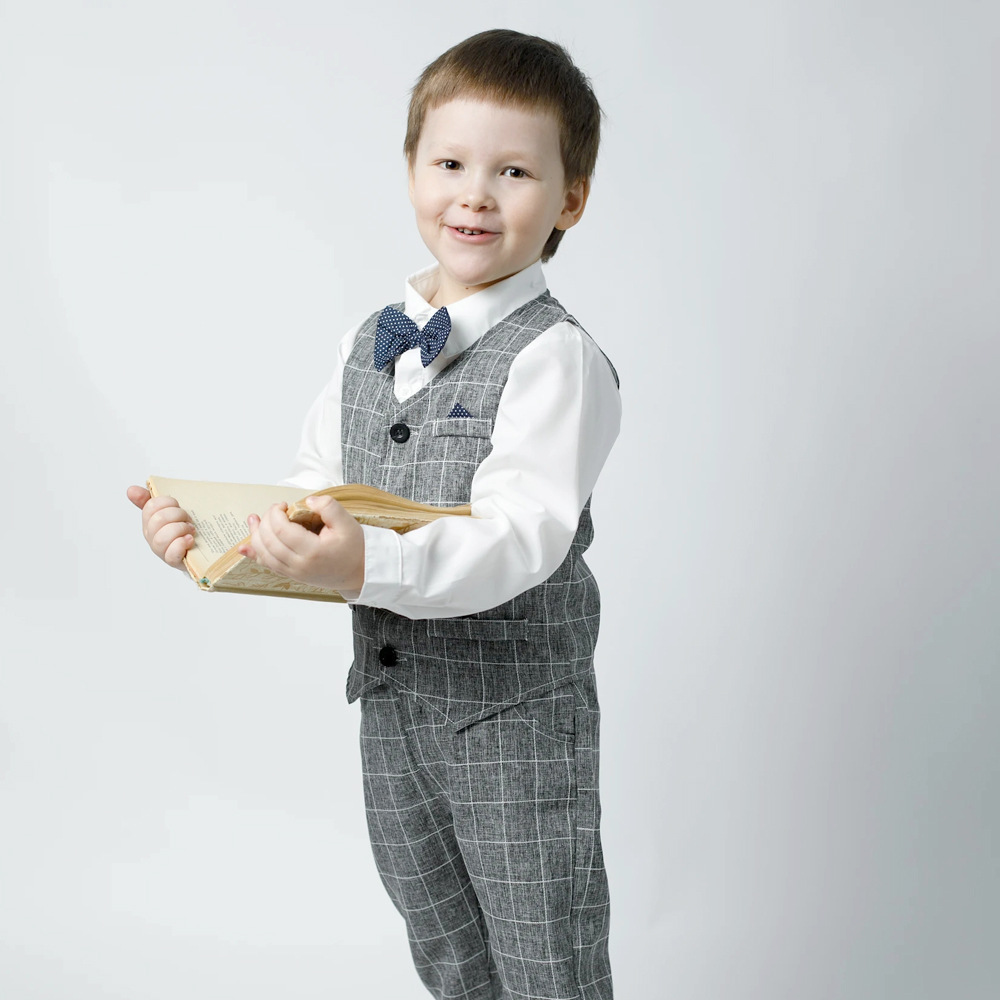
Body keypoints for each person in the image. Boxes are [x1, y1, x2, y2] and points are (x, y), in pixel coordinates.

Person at [127, 28, 620, 1000]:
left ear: (570, 199)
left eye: (514, 171)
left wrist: (366, 567)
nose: (476, 195)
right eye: (451, 163)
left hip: (515, 723)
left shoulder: (553, 357)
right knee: (446, 952)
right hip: (393, 714)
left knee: (545, 963)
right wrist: (211, 542)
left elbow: (519, 540)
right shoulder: (371, 341)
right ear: (410, 171)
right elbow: (317, 500)